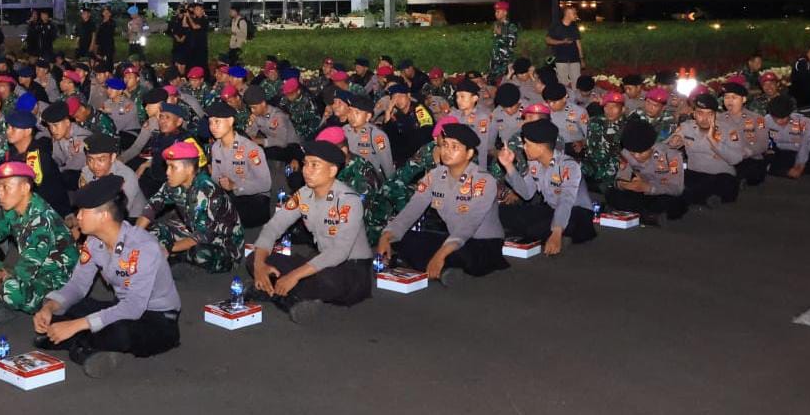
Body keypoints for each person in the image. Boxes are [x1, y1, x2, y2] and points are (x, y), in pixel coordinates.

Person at [34, 175, 182, 378]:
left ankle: (81, 345)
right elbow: (78, 285)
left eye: (83, 211)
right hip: (122, 307)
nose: (77, 217)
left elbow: (133, 308)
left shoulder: (143, 247)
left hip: (157, 318)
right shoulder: (93, 241)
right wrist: (50, 307)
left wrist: (76, 325)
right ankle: (85, 345)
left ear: (103, 216)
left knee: (120, 331)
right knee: (69, 307)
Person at [247, 141, 374, 323]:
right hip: (319, 262)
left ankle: (277, 293)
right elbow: (274, 227)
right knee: (254, 258)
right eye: (305, 164)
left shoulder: (348, 201)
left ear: (332, 171)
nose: (306, 170)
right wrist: (259, 265)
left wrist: (295, 275)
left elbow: (339, 252)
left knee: (328, 280)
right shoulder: (303, 194)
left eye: (315, 165)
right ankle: (291, 297)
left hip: (352, 269)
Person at [376, 123, 508, 284]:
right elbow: (412, 209)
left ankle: (436, 264)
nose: (447, 151)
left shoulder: (483, 181)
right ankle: (443, 268)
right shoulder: (435, 175)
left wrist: (440, 254)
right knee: (406, 239)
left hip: (483, 242)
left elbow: (469, 225)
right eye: (445, 145)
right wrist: (387, 235)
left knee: (463, 254)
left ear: (469, 153)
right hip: (453, 239)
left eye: (454, 147)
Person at [0, 161, 79, 328]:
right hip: (25, 272)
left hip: (54, 282)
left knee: (12, 290)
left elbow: (25, 273)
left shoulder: (41, 219)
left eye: (6, 188)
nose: (0, 195)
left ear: (25, 188)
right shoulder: (10, 209)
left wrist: (5, 278)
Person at [137, 140, 243, 274]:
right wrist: (134, 234)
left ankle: (177, 256)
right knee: (153, 231)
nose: (167, 172)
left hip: (222, 243)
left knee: (199, 254)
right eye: (167, 166)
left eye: (173, 167)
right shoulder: (173, 183)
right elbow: (152, 206)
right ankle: (172, 253)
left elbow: (202, 236)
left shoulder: (206, 190)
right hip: (193, 229)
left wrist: (168, 248)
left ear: (189, 169)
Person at [496, 119, 597, 254]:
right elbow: (527, 194)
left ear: (541, 147)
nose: (524, 147)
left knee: (534, 230)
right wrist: (509, 166)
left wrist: (556, 232)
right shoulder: (534, 163)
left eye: (527, 144)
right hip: (553, 209)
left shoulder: (568, 165)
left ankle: (558, 234)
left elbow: (566, 201)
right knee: (502, 212)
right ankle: (553, 233)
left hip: (577, 212)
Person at [605, 119, 687, 225]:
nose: (636, 156)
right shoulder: (626, 153)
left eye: (641, 153)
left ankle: (642, 214)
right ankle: (646, 216)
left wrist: (648, 188)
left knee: (674, 203)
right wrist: (626, 185)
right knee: (612, 194)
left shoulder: (671, 156)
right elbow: (620, 178)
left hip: (661, 192)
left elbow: (676, 188)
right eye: (633, 153)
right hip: (640, 192)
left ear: (652, 146)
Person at [669, 93, 745, 205]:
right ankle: (705, 198)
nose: (704, 118)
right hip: (695, 173)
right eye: (700, 113)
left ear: (716, 115)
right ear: (694, 114)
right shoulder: (686, 127)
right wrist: (674, 142)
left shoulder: (729, 130)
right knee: (675, 180)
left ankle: (698, 197)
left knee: (725, 183)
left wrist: (713, 141)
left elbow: (736, 159)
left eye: (710, 114)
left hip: (721, 175)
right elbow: (669, 144)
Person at [206, 101, 272, 228]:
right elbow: (215, 178)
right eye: (210, 122)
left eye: (217, 121)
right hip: (232, 195)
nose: (212, 126)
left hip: (255, 198)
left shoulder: (250, 149)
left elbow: (265, 184)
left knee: (224, 220)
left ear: (230, 121)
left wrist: (235, 185)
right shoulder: (215, 147)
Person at [2, 109, 71, 216]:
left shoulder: (37, 157)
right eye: (8, 127)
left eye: (13, 128)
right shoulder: (13, 152)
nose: (8, 131)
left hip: (47, 213)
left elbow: (33, 194)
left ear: (27, 131)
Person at [77, 134, 145, 220]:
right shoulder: (88, 171)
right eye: (90, 159)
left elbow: (118, 214)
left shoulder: (127, 178)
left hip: (131, 218)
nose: (95, 165)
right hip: (99, 212)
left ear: (113, 157)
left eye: (101, 160)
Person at [718, 81, 769, 186]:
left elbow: (763, 144)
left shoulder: (758, 119)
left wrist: (746, 152)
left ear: (744, 99)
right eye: (726, 97)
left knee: (753, 172)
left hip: (750, 158)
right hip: (727, 158)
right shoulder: (719, 119)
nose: (729, 101)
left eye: (734, 97)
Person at [582, 91, 629, 194]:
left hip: (612, 172)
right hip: (589, 166)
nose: (609, 110)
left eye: (614, 107)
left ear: (623, 109)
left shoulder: (628, 128)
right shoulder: (594, 121)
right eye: (606, 107)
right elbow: (588, 143)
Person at [763, 95, 810, 178]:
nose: (779, 121)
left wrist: (800, 165)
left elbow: (805, 146)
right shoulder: (767, 119)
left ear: (789, 114)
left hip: (795, 152)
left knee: (809, 163)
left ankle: (777, 170)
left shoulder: (804, 122)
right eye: (776, 118)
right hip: (777, 152)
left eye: (783, 118)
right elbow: (765, 141)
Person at [546, 5, 584, 89]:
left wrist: (581, 58)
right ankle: (565, 96)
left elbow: (578, 42)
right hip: (561, 58)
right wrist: (562, 42)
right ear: (567, 14)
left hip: (574, 58)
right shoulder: (556, 25)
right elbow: (548, 40)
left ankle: (575, 97)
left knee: (577, 82)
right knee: (563, 83)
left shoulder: (574, 26)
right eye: (574, 13)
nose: (576, 15)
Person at [488, 1, 519, 83]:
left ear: (505, 13)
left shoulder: (511, 26)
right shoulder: (496, 25)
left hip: (505, 62)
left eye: (498, 11)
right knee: (491, 83)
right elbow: (495, 44)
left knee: (504, 83)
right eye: (495, 11)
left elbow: (512, 44)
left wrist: (500, 35)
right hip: (495, 61)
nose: (496, 13)